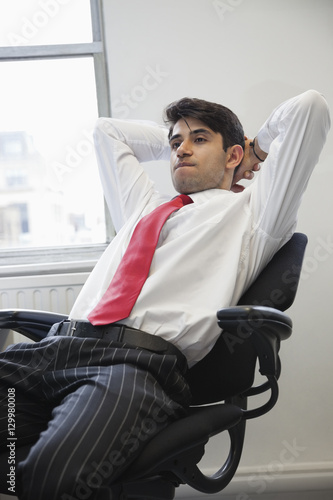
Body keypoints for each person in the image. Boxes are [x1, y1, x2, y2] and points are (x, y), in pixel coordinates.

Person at [0, 89, 330, 500]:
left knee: (52, 477)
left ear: (232, 156)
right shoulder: (142, 208)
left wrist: (254, 148)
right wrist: (183, 134)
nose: (181, 150)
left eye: (200, 140)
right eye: (176, 143)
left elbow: (310, 109)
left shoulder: (255, 216)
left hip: (132, 368)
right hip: (52, 351)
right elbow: (108, 132)